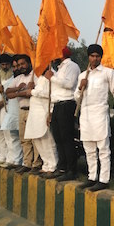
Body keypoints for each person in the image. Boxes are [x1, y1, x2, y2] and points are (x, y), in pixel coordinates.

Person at [70, 44, 114, 191]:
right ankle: (92, 177)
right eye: (92, 56)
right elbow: (76, 97)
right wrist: (81, 87)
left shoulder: (107, 73)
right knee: (89, 149)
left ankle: (104, 179)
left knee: (103, 149)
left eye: (97, 56)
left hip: (100, 113)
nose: (95, 58)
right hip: (85, 115)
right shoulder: (82, 75)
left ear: (101, 57)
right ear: (88, 57)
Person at [44, 47, 80, 179]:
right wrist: (51, 111)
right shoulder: (59, 69)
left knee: (66, 138)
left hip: (67, 104)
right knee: (58, 137)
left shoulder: (72, 66)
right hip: (57, 105)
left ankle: (71, 170)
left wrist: (52, 78)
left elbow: (69, 84)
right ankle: (62, 167)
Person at [5, 55, 42, 173]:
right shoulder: (19, 78)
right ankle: (27, 163)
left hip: (33, 110)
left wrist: (24, 92)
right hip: (22, 110)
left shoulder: (36, 76)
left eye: (23, 64)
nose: (21, 67)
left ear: (29, 63)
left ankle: (36, 164)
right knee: (24, 138)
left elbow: (31, 93)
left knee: (35, 139)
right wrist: (20, 91)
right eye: (19, 64)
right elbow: (8, 93)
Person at [22, 66, 58, 177]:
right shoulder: (39, 77)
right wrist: (32, 88)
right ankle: (46, 164)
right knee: (37, 139)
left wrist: (32, 91)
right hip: (34, 113)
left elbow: (50, 94)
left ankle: (53, 165)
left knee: (47, 139)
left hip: (44, 111)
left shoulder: (52, 75)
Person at [0, 56, 23, 168]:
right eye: (14, 66)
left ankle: (21, 161)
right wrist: (4, 92)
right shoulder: (14, 79)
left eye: (17, 66)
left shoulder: (25, 78)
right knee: (12, 136)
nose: (15, 69)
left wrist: (14, 91)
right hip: (12, 110)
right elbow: (8, 93)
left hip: (21, 110)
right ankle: (14, 160)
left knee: (22, 138)